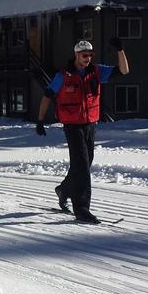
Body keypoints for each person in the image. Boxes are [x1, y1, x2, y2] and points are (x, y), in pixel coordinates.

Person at [36, 38, 129, 224]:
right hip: (72, 125)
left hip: (90, 124)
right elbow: (47, 95)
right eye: (84, 55)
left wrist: (120, 51)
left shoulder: (97, 72)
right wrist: (40, 121)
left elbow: (124, 71)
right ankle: (82, 209)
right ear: (76, 54)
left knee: (84, 164)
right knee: (82, 164)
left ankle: (64, 189)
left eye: (90, 55)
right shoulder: (63, 75)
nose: (87, 58)